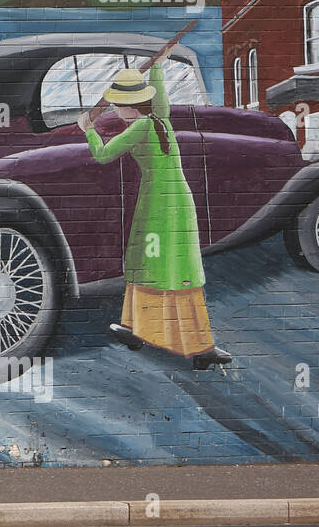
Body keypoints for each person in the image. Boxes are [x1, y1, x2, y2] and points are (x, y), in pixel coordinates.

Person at [79, 62, 233, 369]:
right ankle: (193, 344)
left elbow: (103, 155)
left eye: (118, 104)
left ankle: (147, 331)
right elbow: (161, 98)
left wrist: (89, 131)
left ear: (129, 105)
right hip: (179, 204)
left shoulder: (139, 127)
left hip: (158, 206)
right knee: (178, 270)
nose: (115, 109)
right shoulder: (159, 118)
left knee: (151, 265)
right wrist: (158, 68)